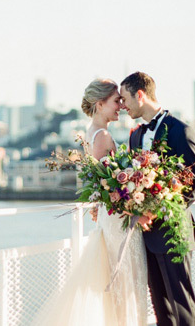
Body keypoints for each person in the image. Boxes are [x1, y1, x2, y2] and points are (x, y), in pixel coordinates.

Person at [31, 78, 148, 326]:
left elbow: (98, 184)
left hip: (110, 216)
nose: (121, 106)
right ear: (99, 104)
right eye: (116, 101)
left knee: (118, 285)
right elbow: (109, 184)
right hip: (118, 219)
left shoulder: (91, 133)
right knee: (126, 283)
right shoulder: (103, 136)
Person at [120, 72, 195, 326]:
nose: (123, 105)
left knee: (183, 309)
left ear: (140, 94)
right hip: (146, 238)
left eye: (124, 99)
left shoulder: (181, 130)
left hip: (173, 233)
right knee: (161, 311)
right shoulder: (135, 136)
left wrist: (158, 210)